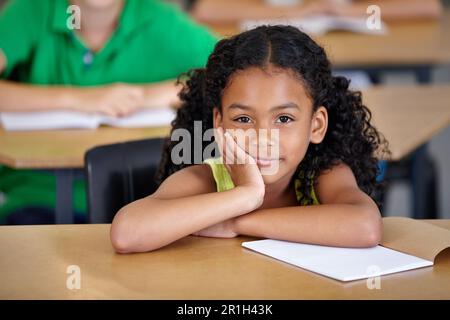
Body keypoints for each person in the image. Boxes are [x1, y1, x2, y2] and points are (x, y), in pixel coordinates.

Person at [110, 25, 389, 253]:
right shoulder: (206, 179)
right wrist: (244, 195)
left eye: (284, 119)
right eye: (243, 119)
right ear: (219, 123)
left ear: (316, 126)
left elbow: (365, 227)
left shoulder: (321, 176)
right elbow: (127, 233)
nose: (263, 138)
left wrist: (237, 223)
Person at [0, 0, 217, 223]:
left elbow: (234, 73)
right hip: (38, 192)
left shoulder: (156, 18)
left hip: (137, 197)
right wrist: (81, 99)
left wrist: (149, 95)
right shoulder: (33, 11)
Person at [192, 0, 443, 25]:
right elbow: (207, 10)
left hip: (348, 69)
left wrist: (346, 10)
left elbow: (428, 6)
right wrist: (298, 11)